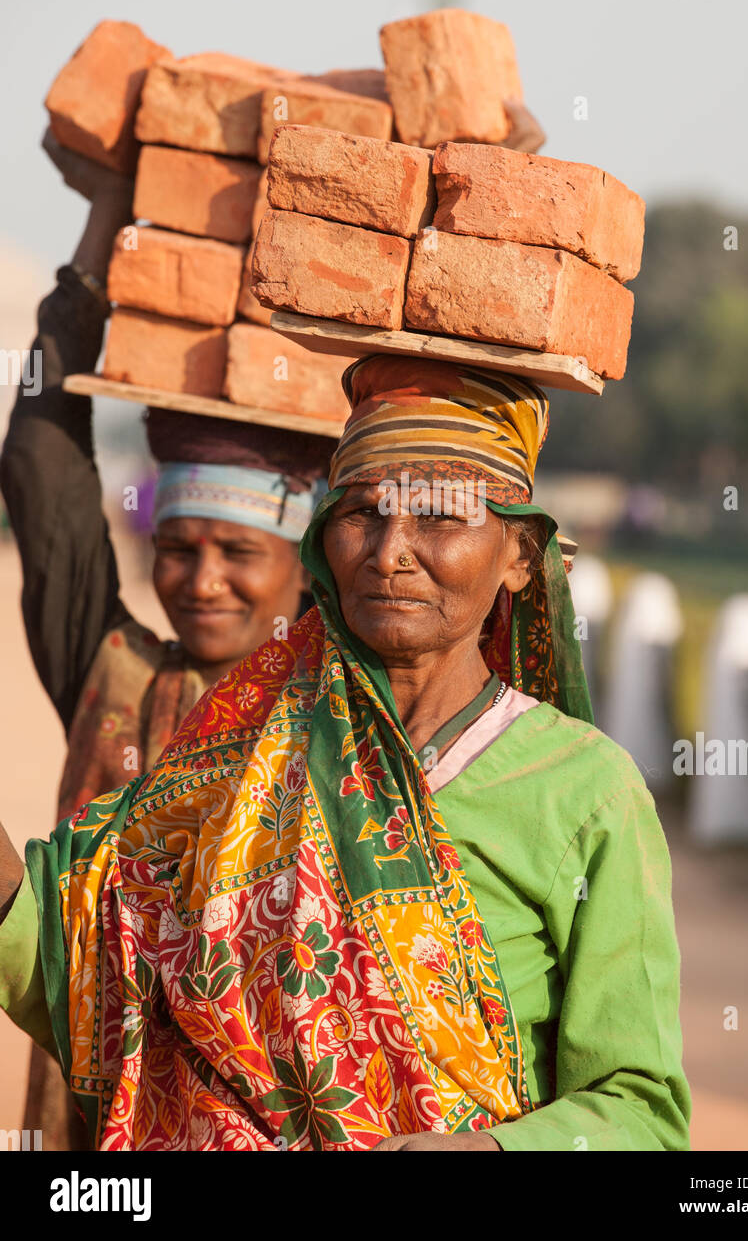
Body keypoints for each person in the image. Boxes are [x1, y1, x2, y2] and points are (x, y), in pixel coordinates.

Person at [0, 354, 690, 1151]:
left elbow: (640, 1107)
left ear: (520, 557)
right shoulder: (243, 746)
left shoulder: (585, 790)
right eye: (362, 512)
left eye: (438, 515)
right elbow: (82, 953)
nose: (390, 550)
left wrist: (485, 1149)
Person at [0, 134, 335, 1146]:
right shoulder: (117, 673)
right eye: (179, 549)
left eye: (239, 552)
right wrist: (104, 225)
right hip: (106, 1122)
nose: (200, 581)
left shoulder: (350, 699)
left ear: (304, 562)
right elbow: (41, 464)